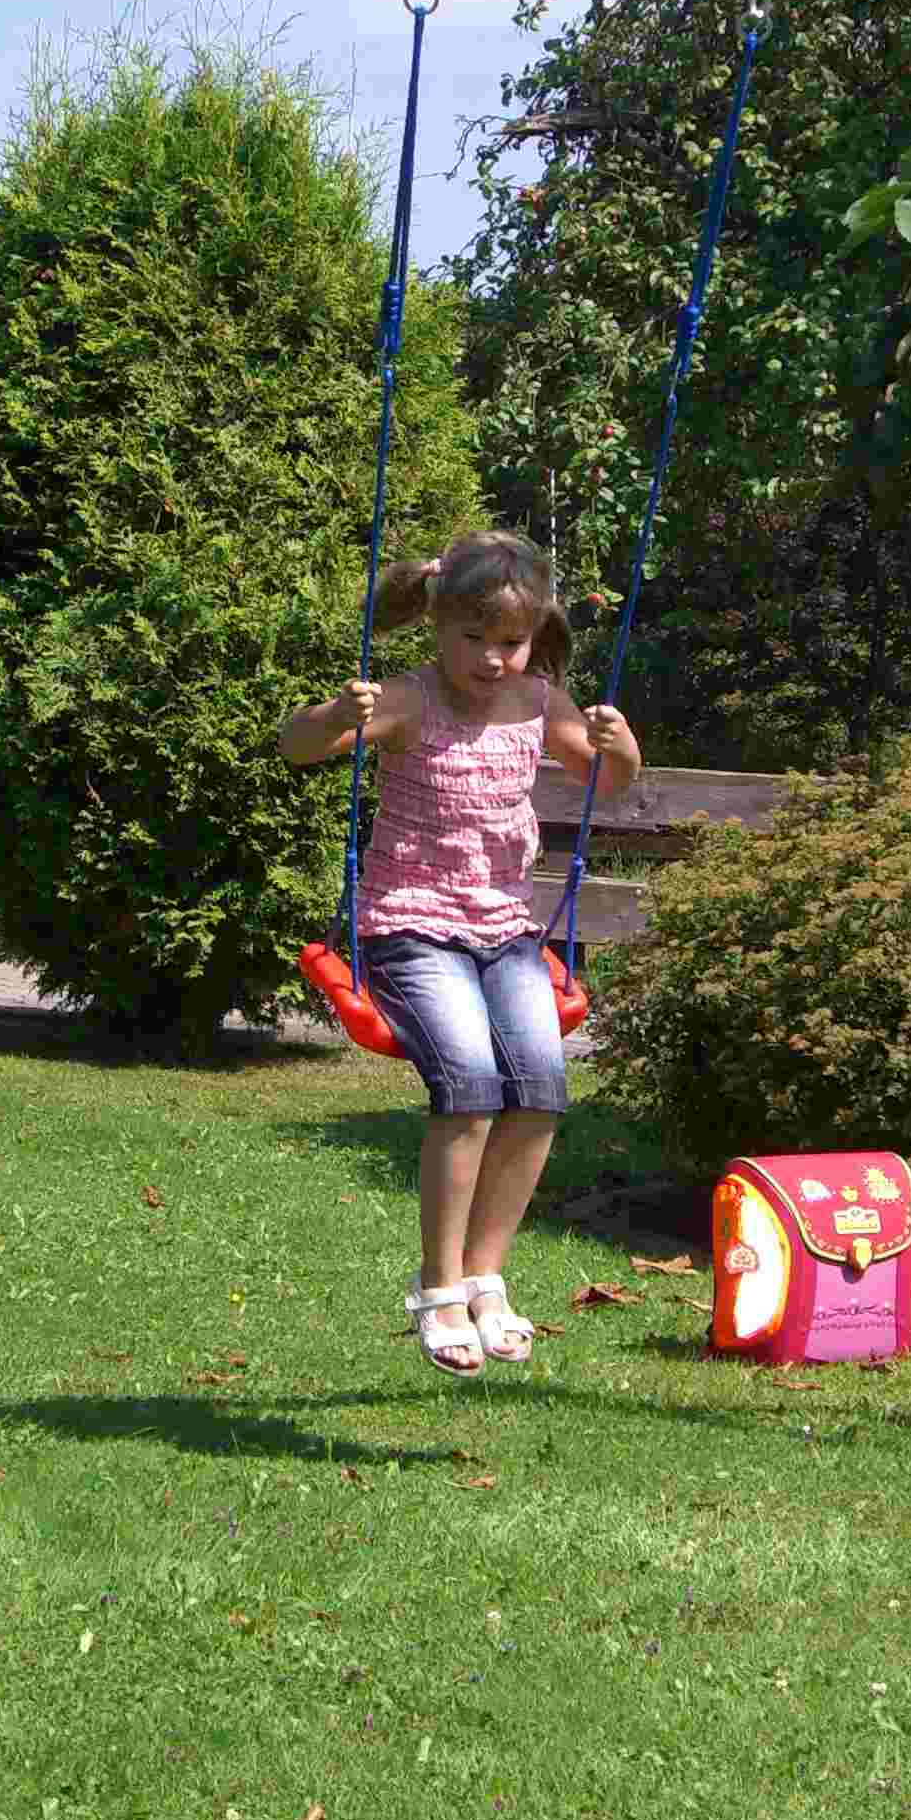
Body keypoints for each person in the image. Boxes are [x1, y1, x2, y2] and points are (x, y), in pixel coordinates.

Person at [280, 532, 640, 1376]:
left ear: (533, 635)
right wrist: (334, 717)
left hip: (506, 931)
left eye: (509, 641)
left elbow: (608, 782)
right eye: (473, 638)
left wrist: (620, 745)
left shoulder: (542, 702)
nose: (492, 658)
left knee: (542, 1089)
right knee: (471, 1085)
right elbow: (297, 747)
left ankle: (486, 1277)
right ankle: (438, 1287)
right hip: (410, 926)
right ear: (437, 626)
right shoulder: (409, 698)